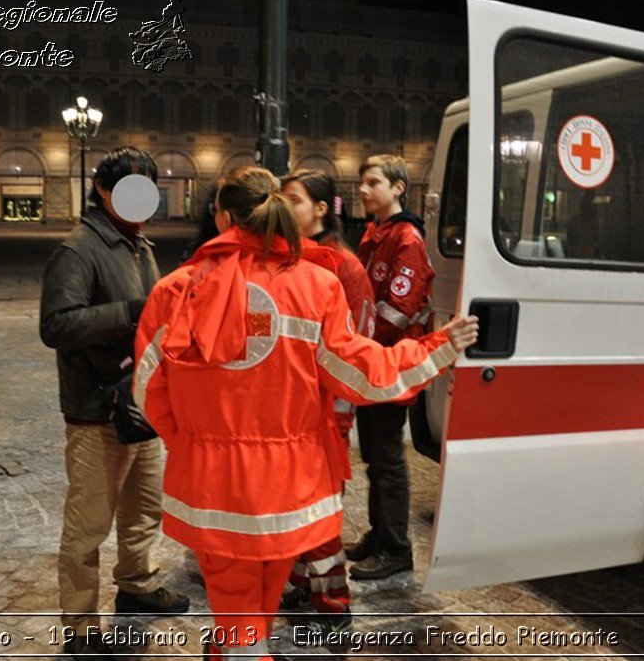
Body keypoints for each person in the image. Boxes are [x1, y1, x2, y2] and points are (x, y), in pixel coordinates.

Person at [134, 166, 478, 660]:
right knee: (261, 607)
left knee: (236, 619)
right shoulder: (317, 285)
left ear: (222, 215)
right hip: (289, 487)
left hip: (209, 483)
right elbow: (364, 373)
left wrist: (189, 440)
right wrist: (440, 347)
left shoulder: (176, 289)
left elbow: (149, 389)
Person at [39, 147, 190, 659]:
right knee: (88, 525)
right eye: (131, 186)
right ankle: (80, 626)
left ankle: (137, 584)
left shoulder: (137, 244)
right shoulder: (79, 249)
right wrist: (130, 312)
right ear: (104, 190)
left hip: (138, 402)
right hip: (95, 409)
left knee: (143, 507)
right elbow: (56, 326)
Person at [276, 169, 374, 634]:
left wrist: (336, 410)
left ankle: (334, 602)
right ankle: (301, 581)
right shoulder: (284, 258)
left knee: (317, 509)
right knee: (290, 504)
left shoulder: (343, 265)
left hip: (324, 410)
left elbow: (357, 346)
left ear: (320, 209)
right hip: (284, 410)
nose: (282, 205)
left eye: (292, 199)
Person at [348, 154, 435, 580]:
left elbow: (396, 309)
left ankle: (397, 549)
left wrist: (358, 347)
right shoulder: (374, 233)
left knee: (387, 458)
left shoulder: (407, 240)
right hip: (371, 359)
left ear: (398, 187)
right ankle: (378, 534)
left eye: (373, 182)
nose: (363, 190)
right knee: (374, 456)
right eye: (361, 183)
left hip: (390, 360)